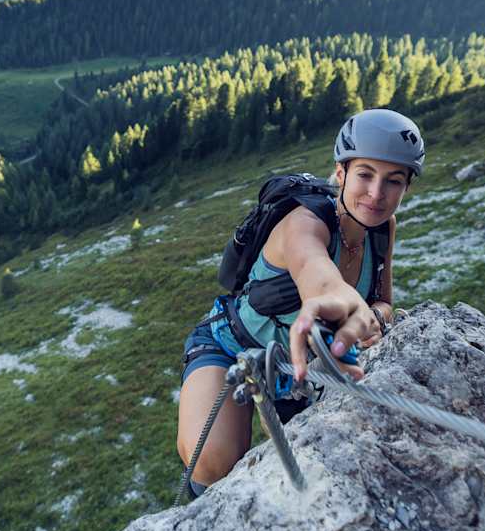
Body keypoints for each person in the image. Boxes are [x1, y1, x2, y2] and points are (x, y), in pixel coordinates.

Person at [177, 109, 425, 499]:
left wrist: (372, 314)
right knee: (212, 462)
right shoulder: (302, 223)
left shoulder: (382, 230)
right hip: (231, 346)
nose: (377, 194)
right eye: (365, 174)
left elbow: (383, 299)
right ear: (341, 173)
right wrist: (336, 302)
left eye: (393, 181)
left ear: (406, 188)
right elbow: (316, 272)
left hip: (302, 366)